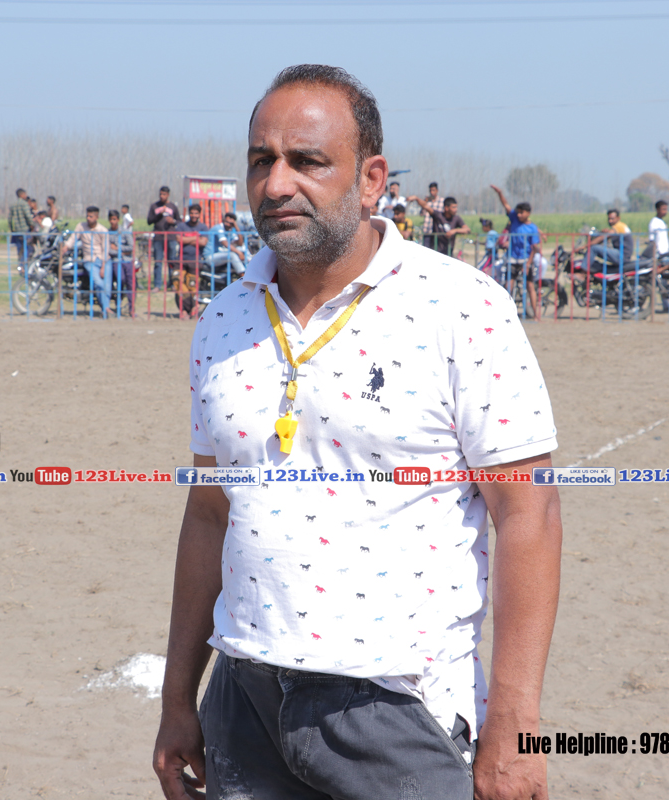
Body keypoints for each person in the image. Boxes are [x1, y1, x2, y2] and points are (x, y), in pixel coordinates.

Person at [152, 64, 561, 800]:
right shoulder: (222, 319)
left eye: (307, 161)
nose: (277, 184)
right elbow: (209, 512)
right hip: (244, 699)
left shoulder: (460, 308)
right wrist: (179, 696)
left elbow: (528, 512)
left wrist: (515, 722)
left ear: (372, 179)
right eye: (261, 160)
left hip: (396, 707)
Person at [490, 186, 547, 317]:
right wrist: (500, 193)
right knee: (508, 285)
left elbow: (534, 247)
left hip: (525, 259)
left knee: (530, 286)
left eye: (522, 213)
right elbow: (506, 205)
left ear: (528, 213)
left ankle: (536, 314)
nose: (519, 215)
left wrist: (528, 264)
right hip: (512, 258)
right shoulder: (514, 219)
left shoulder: (532, 228)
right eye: (518, 213)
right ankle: (504, 313)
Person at [61, 205, 110, 318]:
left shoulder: (103, 230)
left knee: (105, 285)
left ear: (96, 217)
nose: (88, 218)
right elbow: (73, 238)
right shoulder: (81, 226)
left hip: (102, 260)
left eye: (91, 216)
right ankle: (106, 309)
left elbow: (105, 249)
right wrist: (66, 247)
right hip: (89, 260)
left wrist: (103, 266)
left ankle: (105, 309)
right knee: (99, 283)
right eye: (87, 216)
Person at [147, 186, 181, 291]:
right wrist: (159, 215)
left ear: (168, 195)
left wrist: (173, 221)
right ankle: (157, 285)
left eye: (164, 194)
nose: (162, 196)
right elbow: (149, 221)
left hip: (171, 236)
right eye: (161, 194)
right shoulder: (154, 206)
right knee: (158, 262)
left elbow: (180, 221)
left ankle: (172, 284)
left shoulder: (173, 207)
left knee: (171, 261)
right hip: (158, 237)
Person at [107, 209, 135, 317]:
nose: (112, 221)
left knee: (130, 284)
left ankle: (132, 309)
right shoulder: (108, 233)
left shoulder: (125, 231)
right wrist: (120, 251)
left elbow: (131, 247)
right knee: (120, 280)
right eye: (111, 219)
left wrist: (118, 248)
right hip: (116, 261)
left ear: (118, 220)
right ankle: (118, 306)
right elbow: (109, 250)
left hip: (127, 260)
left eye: (114, 219)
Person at [206, 211, 247, 284]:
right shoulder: (218, 228)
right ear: (223, 220)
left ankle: (250, 273)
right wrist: (239, 253)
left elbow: (240, 243)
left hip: (222, 256)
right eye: (226, 222)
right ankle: (243, 278)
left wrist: (237, 228)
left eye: (230, 223)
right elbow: (225, 243)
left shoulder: (230, 231)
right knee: (232, 255)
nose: (228, 224)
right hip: (211, 257)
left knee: (242, 250)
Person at [7, 188, 35, 267]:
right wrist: (33, 226)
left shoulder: (13, 205)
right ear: (22, 195)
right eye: (25, 194)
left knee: (20, 250)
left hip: (17, 231)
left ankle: (20, 265)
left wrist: (12, 229)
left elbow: (9, 219)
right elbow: (28, 217)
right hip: (25, 230)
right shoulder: (24, 204)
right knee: (28, 248)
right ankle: (23, 266)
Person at [419, 181, 443, 250]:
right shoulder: (426, 202)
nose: (432, 192)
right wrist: (424, 202)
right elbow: (421, 214)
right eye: (430, 191)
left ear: (437, 191)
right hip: (427, 230)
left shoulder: (442, 201)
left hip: (438, 231)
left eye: (433, 190)